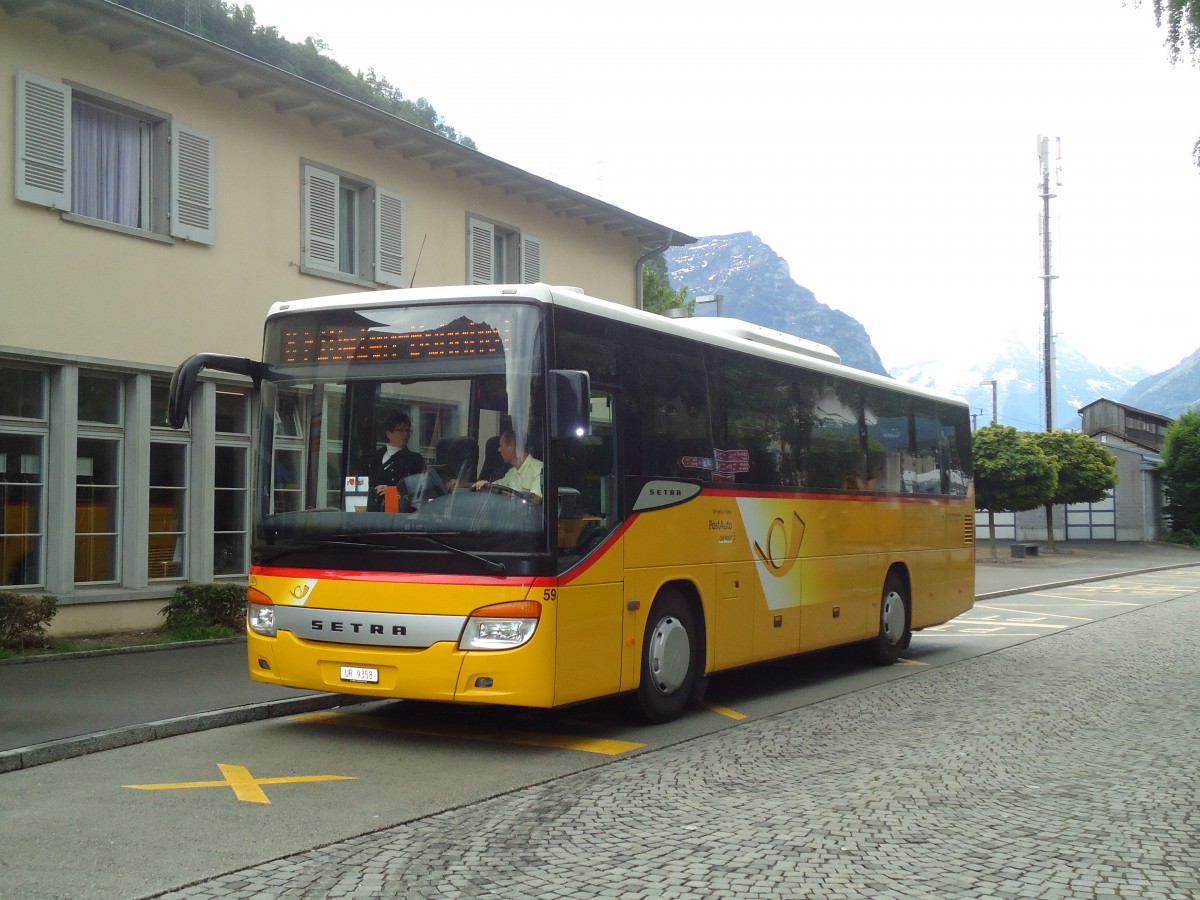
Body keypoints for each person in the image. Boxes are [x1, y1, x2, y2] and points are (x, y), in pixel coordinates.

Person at [465, 429, 542, 504]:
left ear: (511, 446)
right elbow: (493, 487)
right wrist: (463, 485)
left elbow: (535, 499)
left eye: (501, 445)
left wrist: (503, 492)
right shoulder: (512, 473)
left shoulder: (539, 469)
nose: (499, 450)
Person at [368, 412, 425, 511]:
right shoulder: (376, 456)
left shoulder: (415, 459)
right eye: (400, 430)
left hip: (402, 513)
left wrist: (392, 491)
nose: (406, 435)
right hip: (374, 511)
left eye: (408, 431)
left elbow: (421, 488)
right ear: (389, 434)